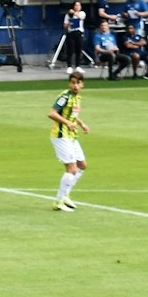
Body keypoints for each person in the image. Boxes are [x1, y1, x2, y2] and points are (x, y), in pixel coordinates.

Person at [48, 71, 91, 211]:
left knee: (82, 165)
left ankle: (65, 195)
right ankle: (58, 201)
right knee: (72, 169)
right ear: (69, 83)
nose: (75, 86)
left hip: (71, 135)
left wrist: (81, 123)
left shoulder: (77, 97)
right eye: (73, 82)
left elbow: (72, 114)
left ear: (82, 84)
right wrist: (67, 123)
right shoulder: (65, 97)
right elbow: (52, 113)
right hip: (61, 135)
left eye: (78, 83)